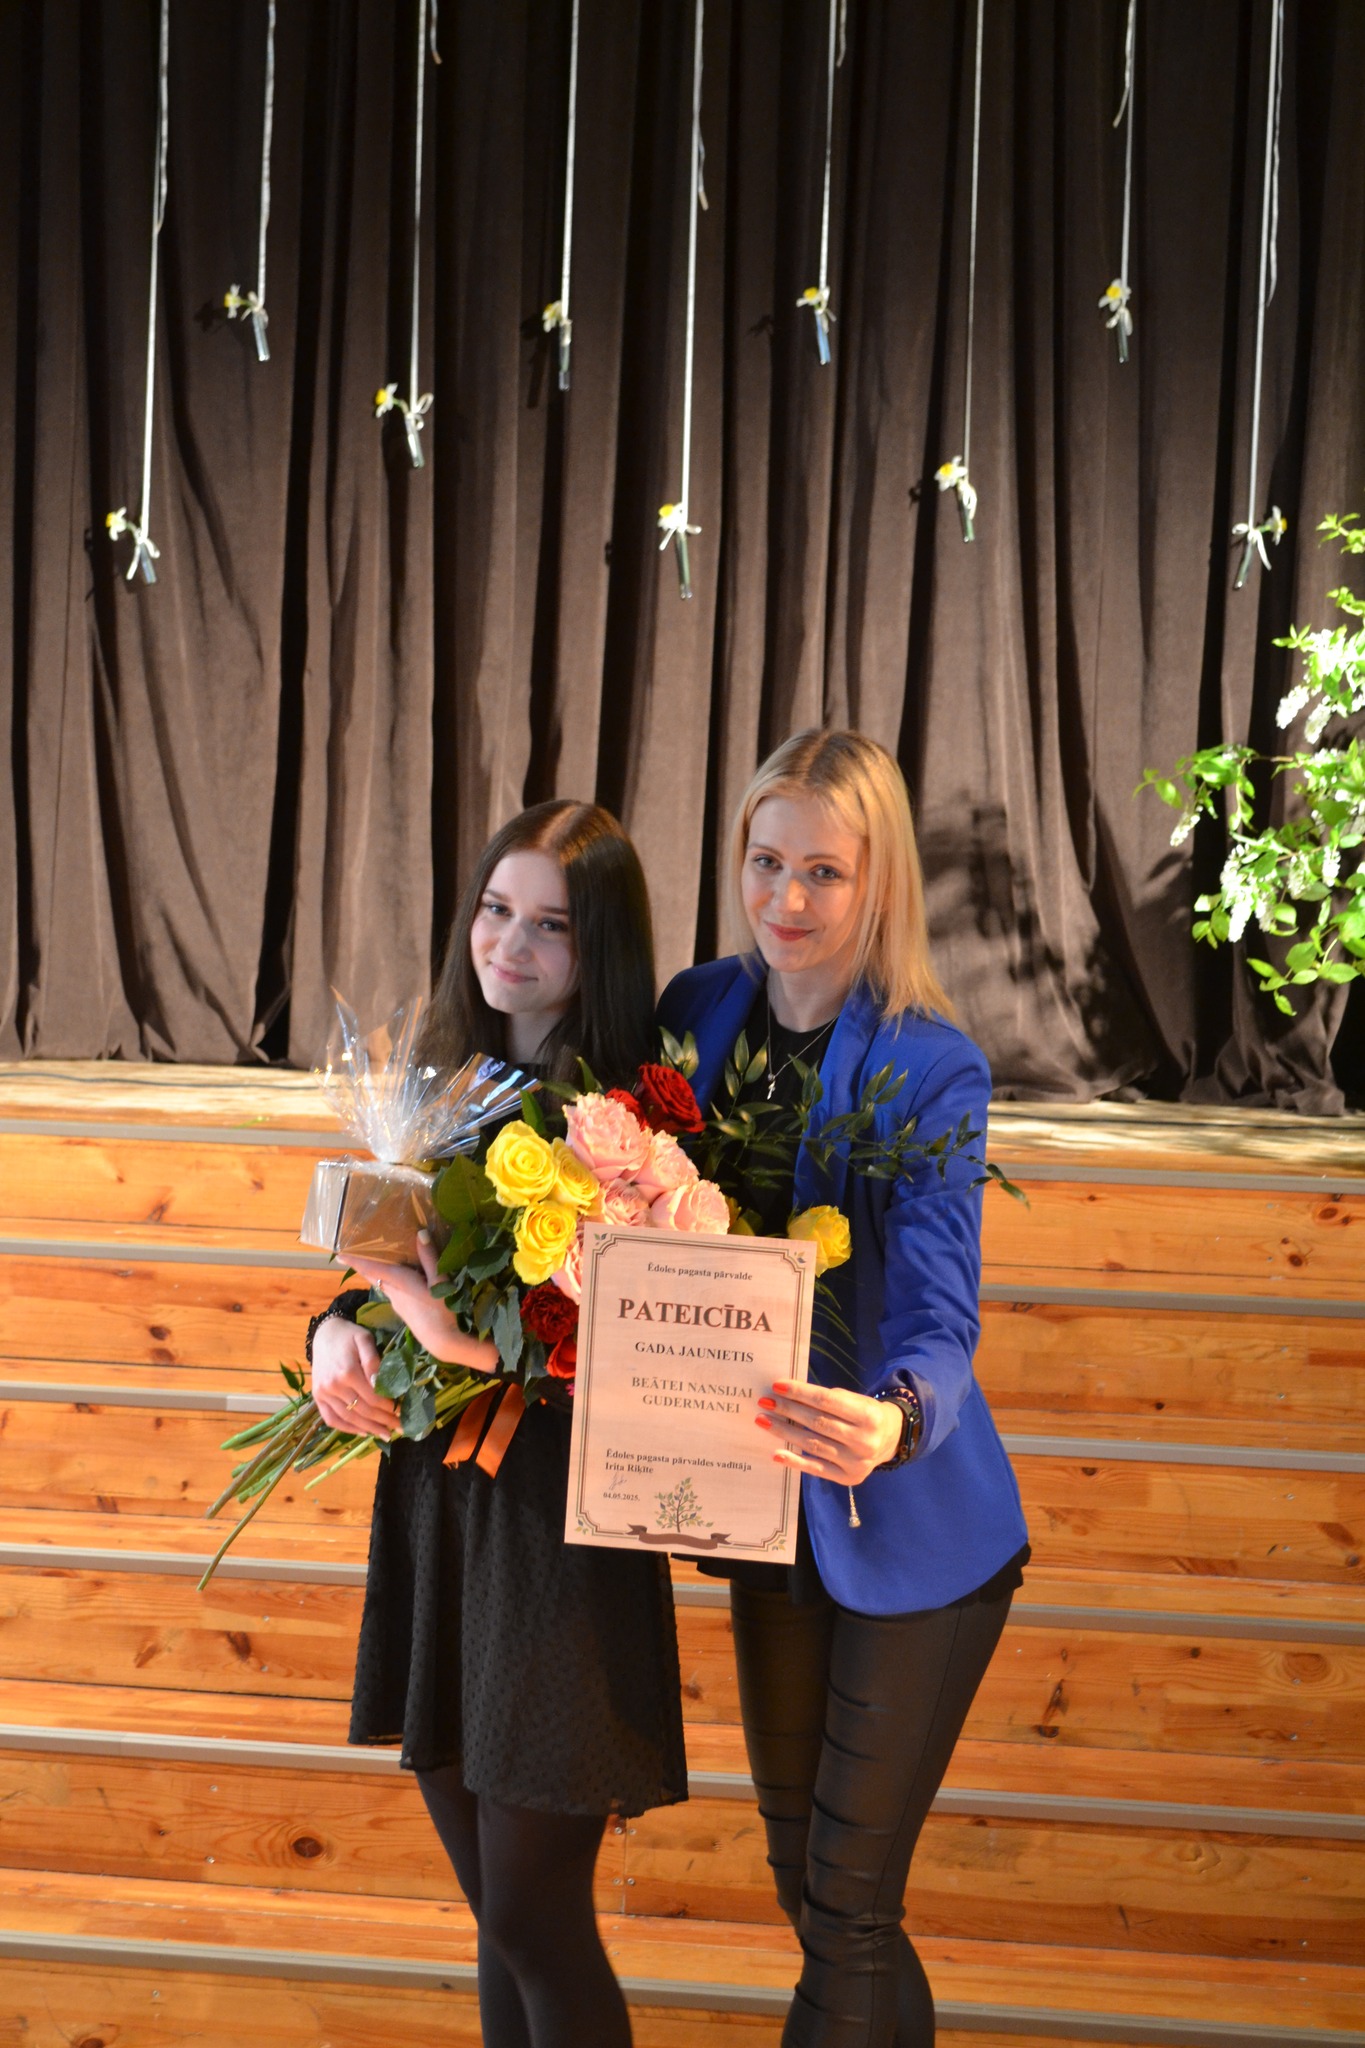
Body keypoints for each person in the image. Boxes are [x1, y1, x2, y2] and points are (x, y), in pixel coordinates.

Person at [658, 730, 1028, 2048]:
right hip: (768, 1514)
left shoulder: (930, 1064)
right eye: (766, 861)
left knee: (849, 1906)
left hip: (912, 1527)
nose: (788, 897)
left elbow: (938, 1315)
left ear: (880, 882)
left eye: (825, 870)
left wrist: (896, 1415)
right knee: (815, 1899)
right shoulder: (697, 1010)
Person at [309, 801, 687, 2048]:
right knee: (497, 1918)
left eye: (551, 925)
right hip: (443, 1516)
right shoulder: (438, 1084)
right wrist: (333, 1331)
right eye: (495, 908)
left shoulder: (636, 1126)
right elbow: (375, 1282)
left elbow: (582, 1351)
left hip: (557, 1534)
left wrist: (421, 1311)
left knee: (533, 1914)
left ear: (601, 946)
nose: (509, 944)